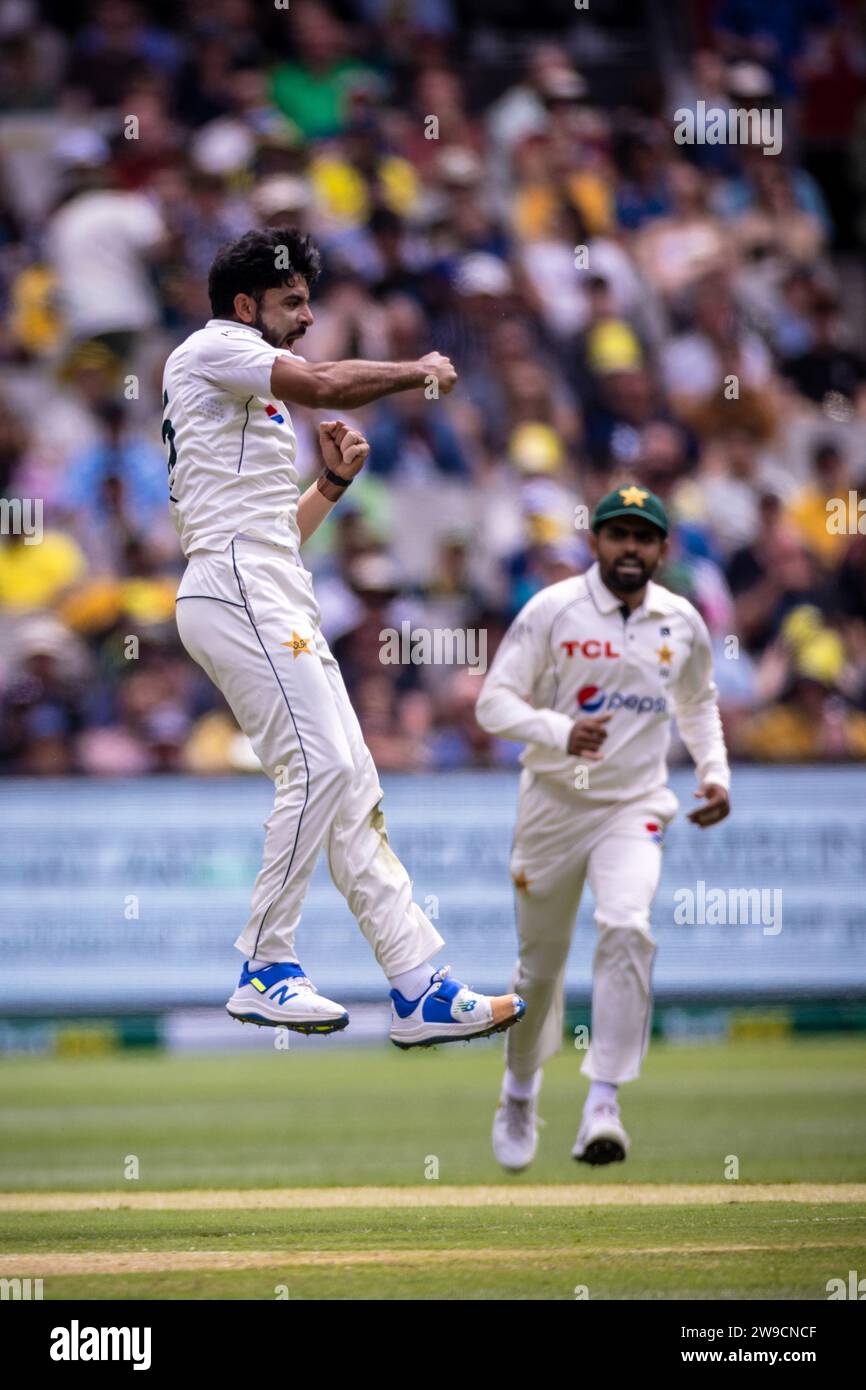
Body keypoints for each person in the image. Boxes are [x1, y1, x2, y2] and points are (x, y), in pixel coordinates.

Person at [162, 226, 525, 1048]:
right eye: (294, 302)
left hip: (266, 586)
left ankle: (418, 986)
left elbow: (272, 534)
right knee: (320, 765)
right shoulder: (212, 347)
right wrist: (417, 371)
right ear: (247, 305)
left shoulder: (245, 389)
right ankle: (264, 964)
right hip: (237, 589)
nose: (309, 316)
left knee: (351, 786)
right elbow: (327, 381)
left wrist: (331, 485)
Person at [475, 485, 731, 1168]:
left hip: (634, 805)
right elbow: (493, 704)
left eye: (643, 538)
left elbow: (699, 704)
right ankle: (521, 1093)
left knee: (627, 926)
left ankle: (603, 1105)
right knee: (539, 971)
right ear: (594, 542)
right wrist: (560, 730)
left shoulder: (682, 622)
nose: (630, 549)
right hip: (553, 806)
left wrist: (715, 773)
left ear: (661, 549)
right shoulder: (552, 610)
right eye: (618, 535)